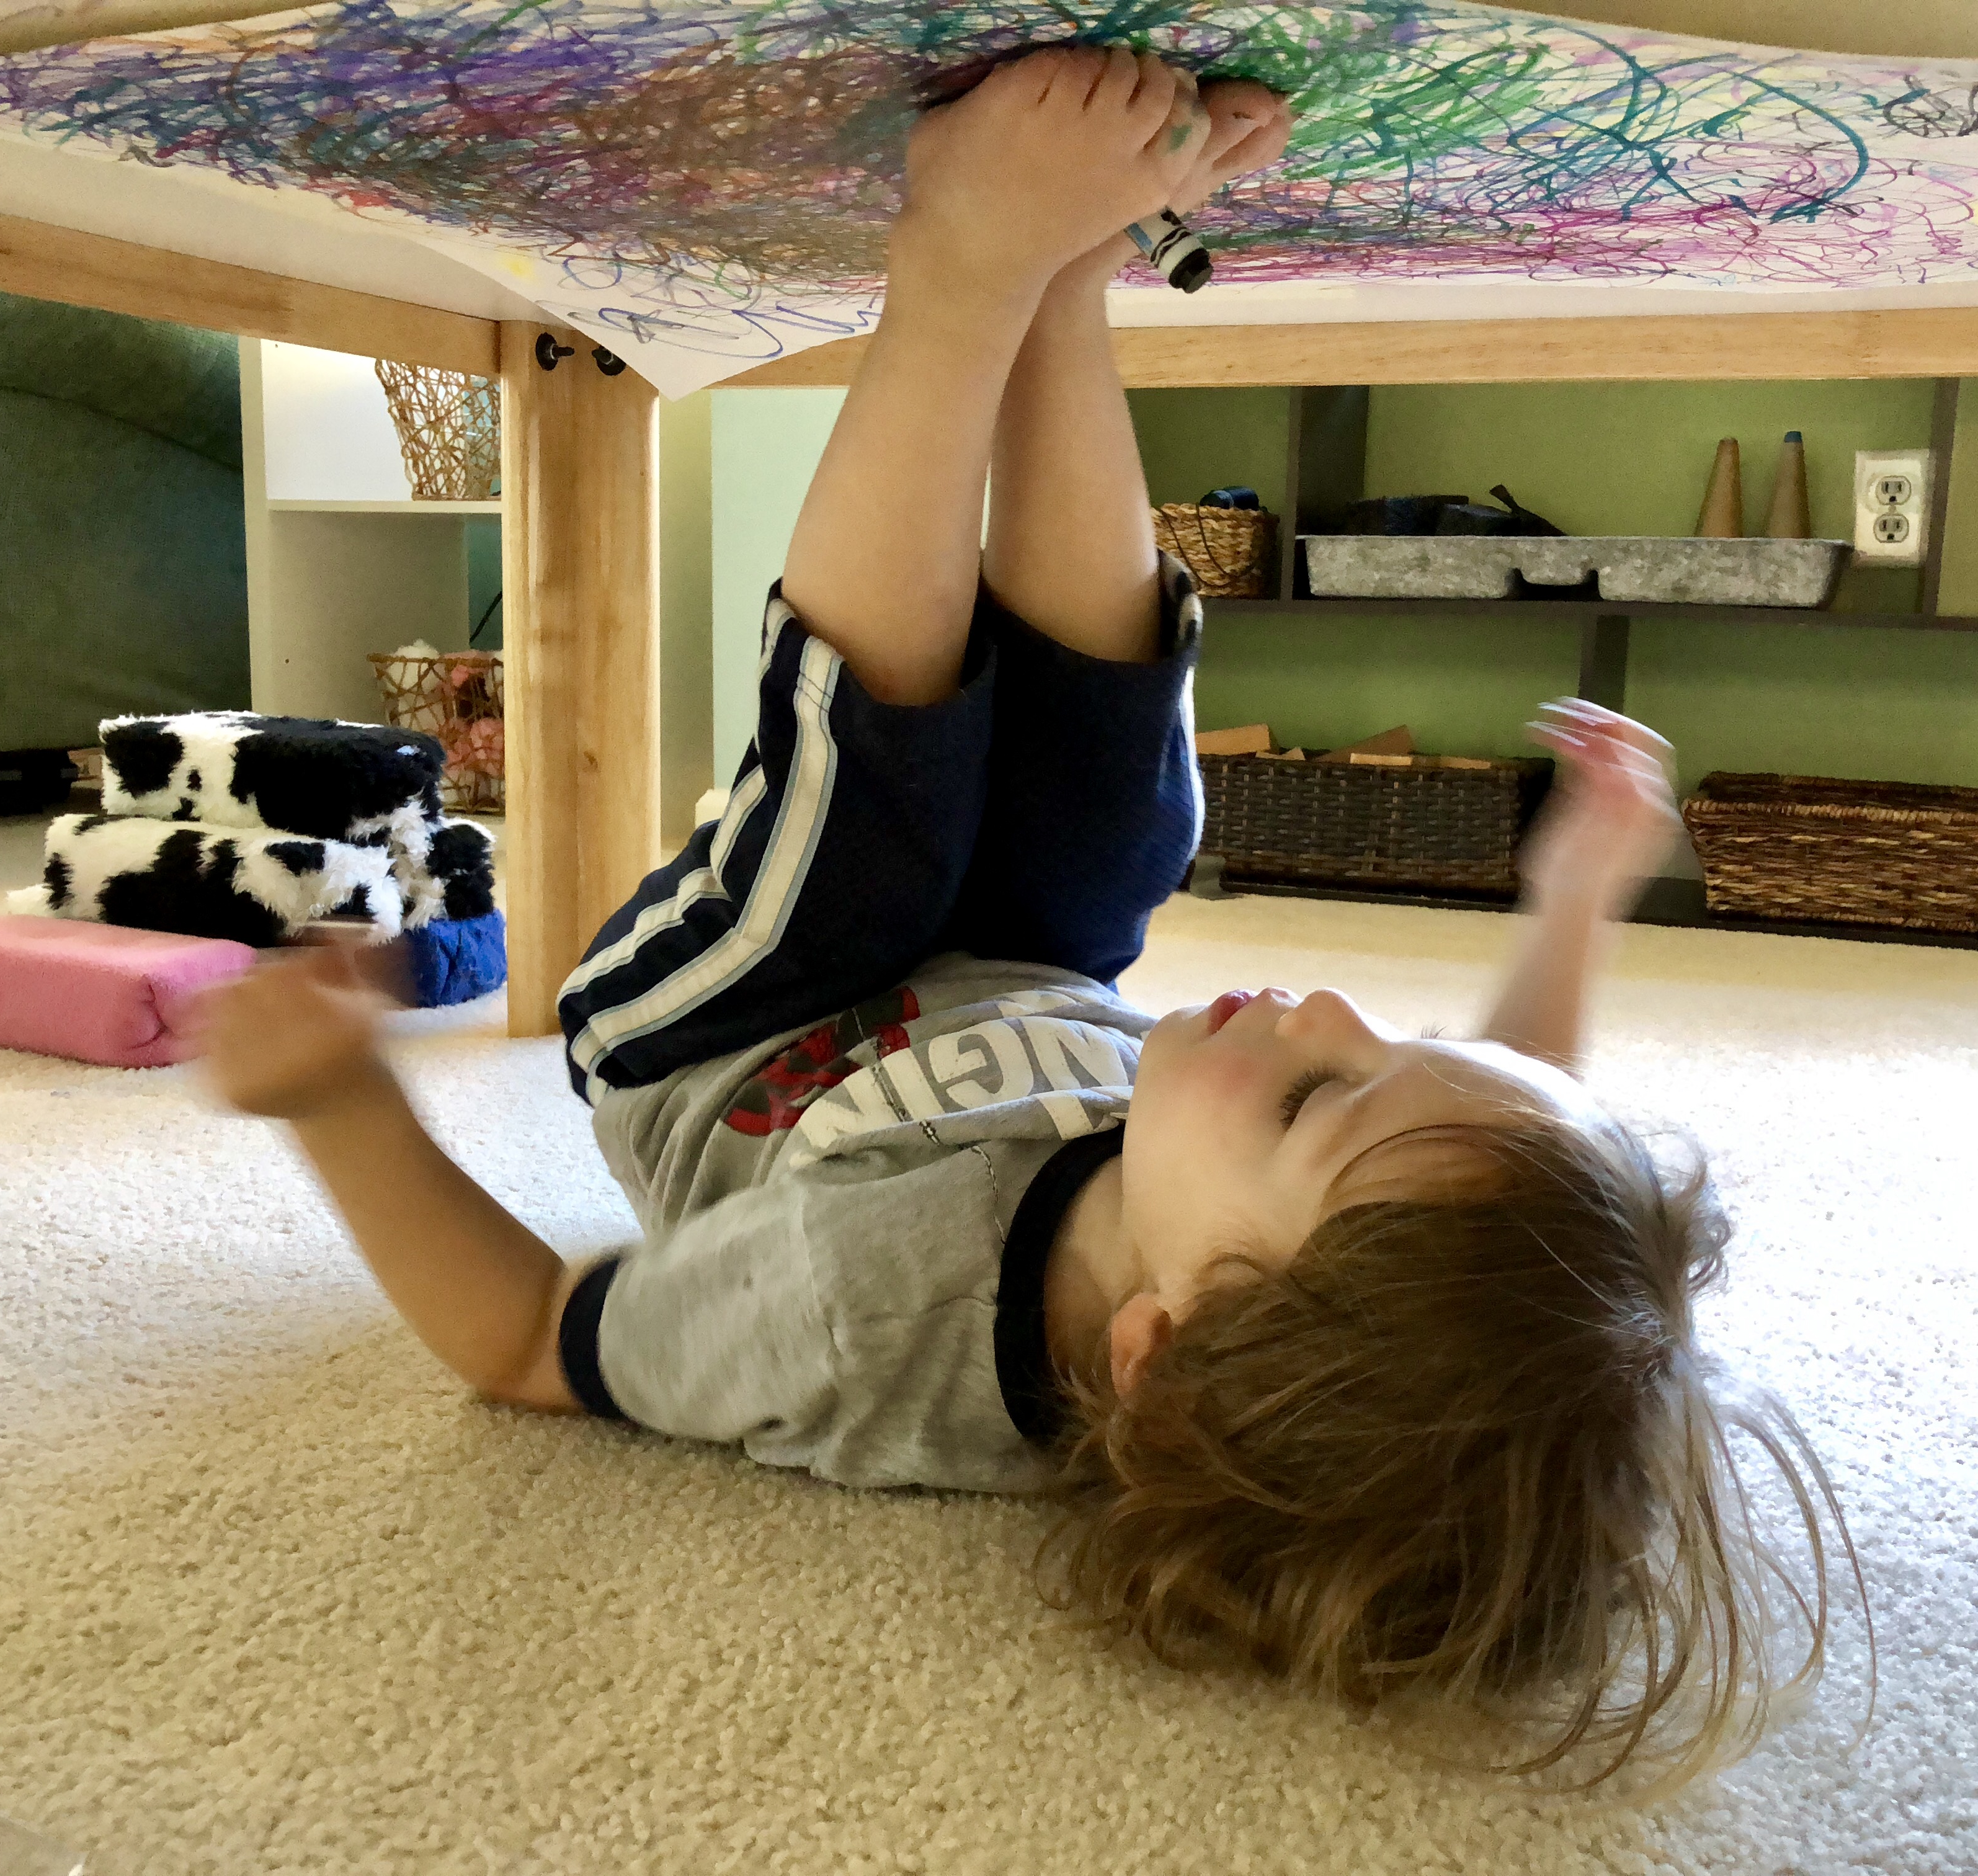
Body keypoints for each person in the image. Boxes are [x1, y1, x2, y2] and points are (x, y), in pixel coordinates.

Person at [198, 46, 1866, 1793]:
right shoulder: (1294, 1253)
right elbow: (1494, 1135)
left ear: (1155, 1347)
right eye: (1395, 1049)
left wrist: (338, 1100)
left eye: (1315, 1097)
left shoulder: (864, 1315)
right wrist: (1581, 891)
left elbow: (530, 1341)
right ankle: (1073, 273)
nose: (1325, 1014)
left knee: (877, 804)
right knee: (1124, 816)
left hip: (732, 1030)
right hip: (1013, 975)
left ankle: (965, 265)